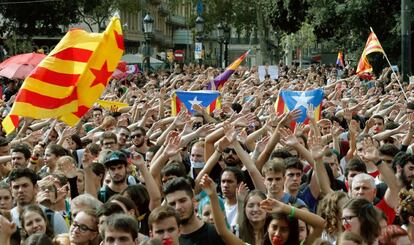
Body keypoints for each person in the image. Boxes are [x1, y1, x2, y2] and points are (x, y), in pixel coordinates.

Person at [163, 177, 225, 245]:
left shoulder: (216, 233)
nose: (178, 207)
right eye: (172, 204)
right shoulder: (167, 240)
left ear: (193, 198)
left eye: (182, 201)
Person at [9, 168, 68, 234]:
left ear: (36, 188)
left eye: (25, 185)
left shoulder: (53, 218)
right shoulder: (7, 219)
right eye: (16, 187)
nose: (20, 190)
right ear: (11, 191)